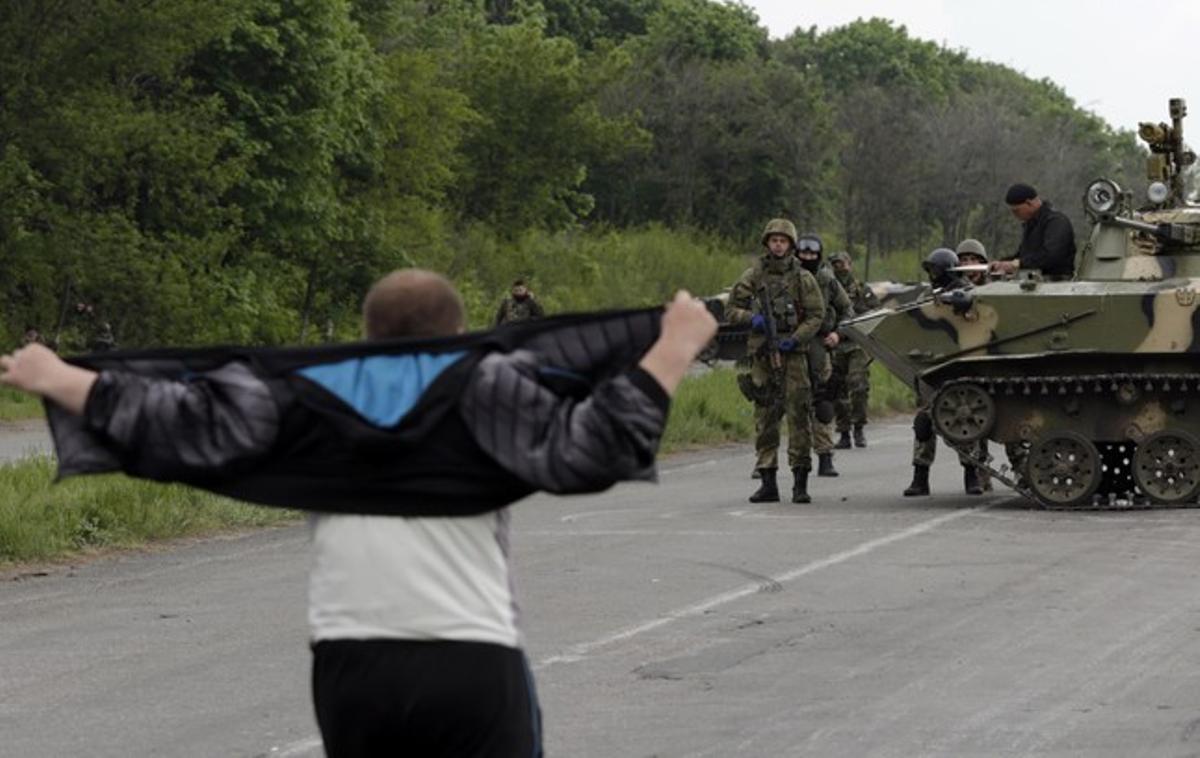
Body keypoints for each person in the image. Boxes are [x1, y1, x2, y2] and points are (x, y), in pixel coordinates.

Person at [0, 269, 717, 758]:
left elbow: (179, 417)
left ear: (366, 333)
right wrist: (675, 345)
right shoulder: (486, 383)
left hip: (354, 672)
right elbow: (593, 444)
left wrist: (59, 377)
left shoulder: (303, 396)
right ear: (460, 331)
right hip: (470, 661)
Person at [727, 219, 825, 504]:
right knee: (766, 417)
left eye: (783, 241)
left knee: (798, 416)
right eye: (774, 240)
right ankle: (767, 479)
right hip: (763, 356)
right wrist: (752, 319)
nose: (778, 245)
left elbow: (816, 315)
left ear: (791, 245)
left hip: (794, 356)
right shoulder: (753, 276)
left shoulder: (803, 278)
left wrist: (795, 338)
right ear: (767, 243)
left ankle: (800, 482)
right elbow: (732, 309)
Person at [902, 248, 988, 497]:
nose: (932, 275)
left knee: (965, 420)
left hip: (962, 363)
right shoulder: (931, 294)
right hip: (933, 363)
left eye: (935, 270)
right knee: (923, 424)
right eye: (929, 270)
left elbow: (975, 318)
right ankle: (920, 477)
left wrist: (961, 302)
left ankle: (971, 474)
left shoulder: (967, 290)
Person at [795, 233, 851, 477]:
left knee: (822, 402)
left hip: (819, 345)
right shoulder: (788, 277)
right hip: (791, 346)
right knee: (785, 404)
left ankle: (825, 456)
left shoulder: (827, 280)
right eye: (803, 253)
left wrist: (838, 334)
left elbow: (847, 309)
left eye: (812, 254)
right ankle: (774, 461)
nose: (807, 257)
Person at [828, 251, 879, 449]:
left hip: (857, 343)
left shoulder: (860, 289)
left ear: (850, 264)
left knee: (858, 385)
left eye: (842, 263)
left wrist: (857, 318)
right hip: (835, 343)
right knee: (837, 390)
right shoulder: (828, 289)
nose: (839, 268)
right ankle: (844, 432)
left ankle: (859, 427)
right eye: (835, 264)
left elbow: (875, 311)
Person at [991, 183, 1076, 281]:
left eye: (1017, 211)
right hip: (1032, 281)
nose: (1015, 215)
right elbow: (1024, 255)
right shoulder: (1031, 225)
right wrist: (1002, 263)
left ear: (1029, 203)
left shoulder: (1056, 222)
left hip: (1057, 282)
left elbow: (1051, 256)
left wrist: (1017, 264)